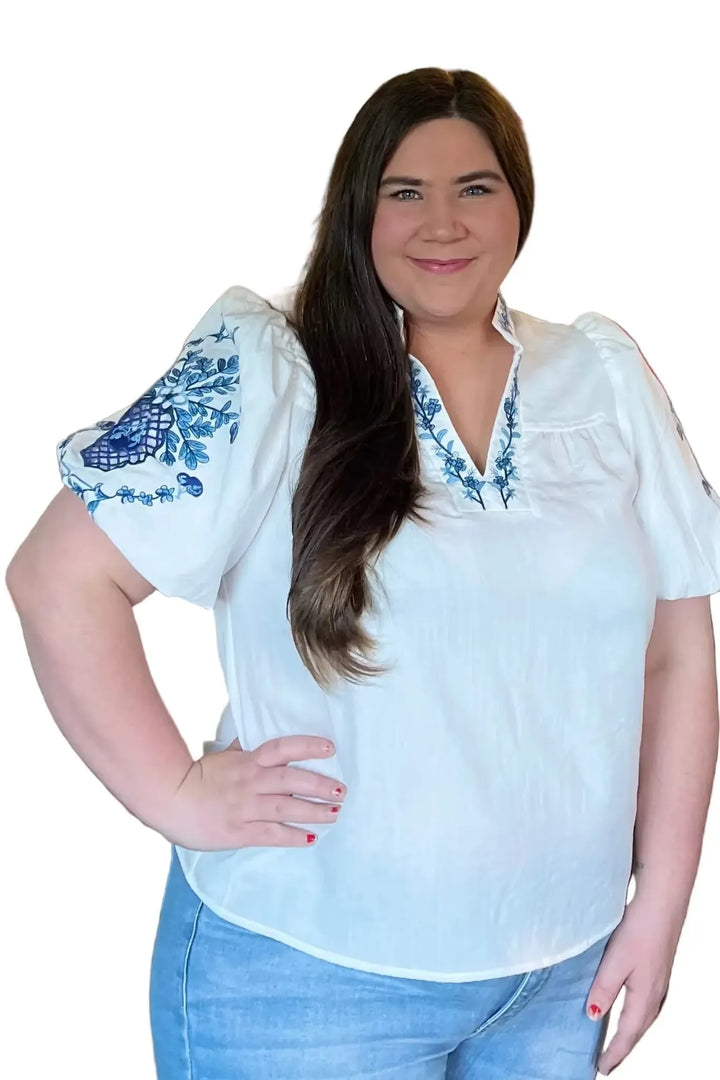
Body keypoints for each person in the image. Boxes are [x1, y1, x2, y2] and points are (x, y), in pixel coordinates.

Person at [6, 66, 720, 1080]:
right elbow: (59, 579)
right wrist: (174, 790)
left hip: (560, 979)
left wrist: (665, 901)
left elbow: (679, 656)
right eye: (404, 191)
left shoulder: (606, 376)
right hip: (303, 980)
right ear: (357, 207)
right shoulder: (272, 366)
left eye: (476, 187)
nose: (442, 221)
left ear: (522, 201)